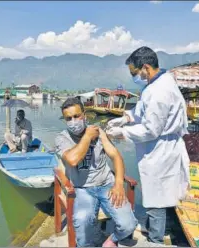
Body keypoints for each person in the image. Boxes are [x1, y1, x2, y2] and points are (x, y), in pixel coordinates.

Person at [106, 46, 190, 244]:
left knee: (156, 199)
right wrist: (125, 117)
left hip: (161, 151)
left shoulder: (160, 91)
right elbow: (142, 109)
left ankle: (155, 239)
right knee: (164, 194)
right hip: (159, 149)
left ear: (145, 67)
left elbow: (151, 129)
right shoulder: (156, 83)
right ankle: (162, 228)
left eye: (134, 73)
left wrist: (123, 132)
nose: (134, 77)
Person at [54, 97, 138, 247]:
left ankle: (111, 240)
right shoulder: (62, 138)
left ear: (84, 114)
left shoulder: (99, 133)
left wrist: (118, 183)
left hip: (107, 185)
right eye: (69, 118)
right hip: (82, 189)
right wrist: (87, 137)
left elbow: (116, 156)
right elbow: (73, 160)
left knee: (128, 225)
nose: (73, 121)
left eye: (76, 116)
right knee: (82, 228)